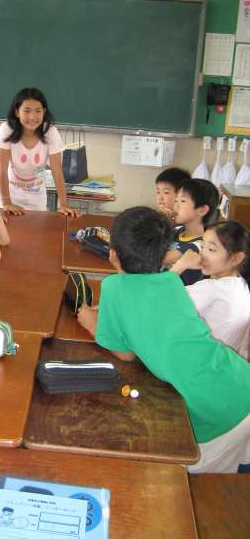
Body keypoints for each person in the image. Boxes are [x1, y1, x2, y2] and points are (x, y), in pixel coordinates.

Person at [77, 207, 250, 473]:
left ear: (113, 254)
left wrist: (90, 322)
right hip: (238, 379)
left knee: (187, 480)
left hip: (216, 406)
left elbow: (126, 354)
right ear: (163, 254)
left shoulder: (113, 287)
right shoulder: (171, 282)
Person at [0, 87, 79, 217]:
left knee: (37, 228)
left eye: (38, 111)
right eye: (26, 111)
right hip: (8, 195)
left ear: (44, 112)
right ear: (17, 112)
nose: (32, 117)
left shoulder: (50, 132)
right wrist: (7, 203)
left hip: (36, 196)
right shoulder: (7, 129)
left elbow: (57, 169)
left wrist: (63, 204)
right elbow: (1, 169)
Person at [171, 220, 250, 360]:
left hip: (197, 362)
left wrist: (181, 264)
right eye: (202, 247)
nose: (202, 254)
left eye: (211, 249)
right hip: (224, 364)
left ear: (236, 258)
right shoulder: (242, 286)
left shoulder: (213, 288)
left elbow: (159, 299)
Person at [163, 178, 219, 285]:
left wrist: (159, 222)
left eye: (182, 201)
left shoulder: (201, 245)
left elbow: (158, 258)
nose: (175, 206)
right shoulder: (176, 230)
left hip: (180, 292)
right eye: (176, 200)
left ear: (202, 210)